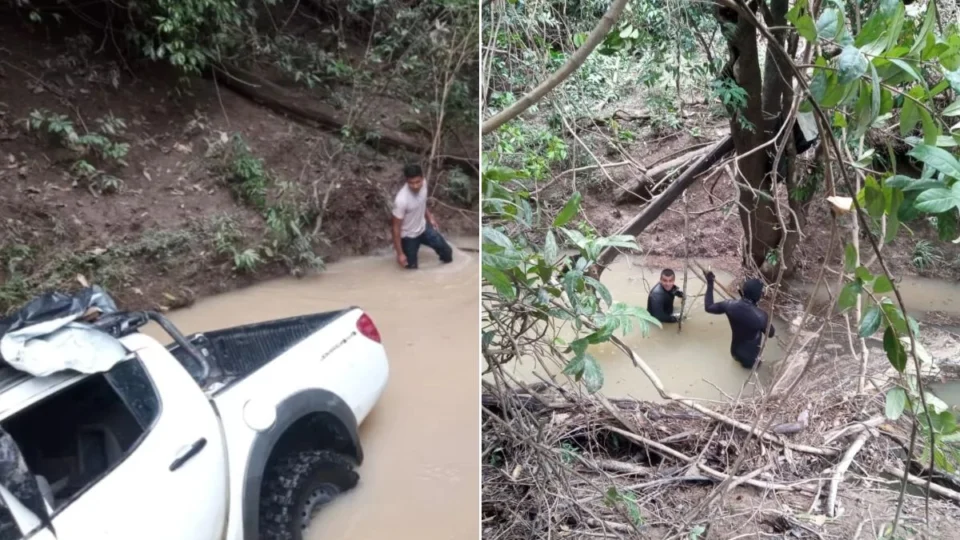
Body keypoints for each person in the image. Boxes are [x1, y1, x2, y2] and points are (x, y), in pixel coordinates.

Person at [704, 271, 775, 369]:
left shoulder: (729, 305)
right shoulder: (761, 316)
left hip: (734, 353)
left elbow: (709, 307)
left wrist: (710, 283)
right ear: (758, 296)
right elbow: (771, 334)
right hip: (751, 359)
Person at [391, 164, 453, 269]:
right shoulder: (401, 200)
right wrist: (400, 254)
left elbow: (421, 202)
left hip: (423, 228)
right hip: (408, 236)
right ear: (406, 181)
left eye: (417, 182)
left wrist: (430, 218)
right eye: (411, 183)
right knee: (411, 269)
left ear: (422, 178)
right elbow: (395, 228)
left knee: (447, 252)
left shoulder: (424, 184)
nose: (415, 186)